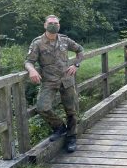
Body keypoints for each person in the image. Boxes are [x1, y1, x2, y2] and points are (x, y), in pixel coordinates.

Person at [25, 15, 84, 153]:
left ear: (59, 25)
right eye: (50, 23)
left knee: (72, 111)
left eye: (56, 23)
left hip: (67, 79)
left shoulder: (64, 40)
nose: (53, 25)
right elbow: (28, 61)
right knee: (42, 107)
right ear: (45, 25)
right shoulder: (38, 43)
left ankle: (71, 138)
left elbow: (80, 50)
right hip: (49, 81)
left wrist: (76, 64)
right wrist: (32, 70)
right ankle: (59, 127)